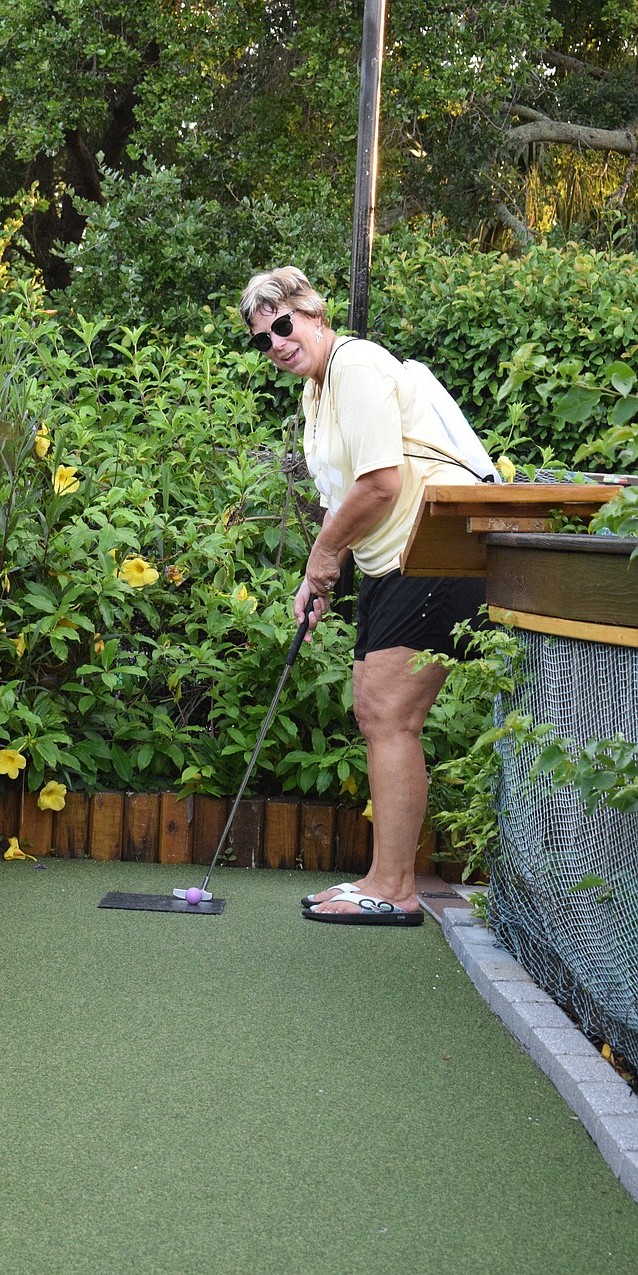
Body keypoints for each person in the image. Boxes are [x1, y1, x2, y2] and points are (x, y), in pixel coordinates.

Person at [239, 266, 490, 926]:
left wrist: (325, 553)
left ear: (313, 314)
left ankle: (395, 888)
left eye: (284, 325)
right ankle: (386, 879)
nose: (278, 344)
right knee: (375, 711)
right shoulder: (316, 394)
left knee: (388, 712)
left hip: (436, 547)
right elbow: (337, 502)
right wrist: (317, 580)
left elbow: (381, 481)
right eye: (263, 340)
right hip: (391, 560)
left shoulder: (358, 365)